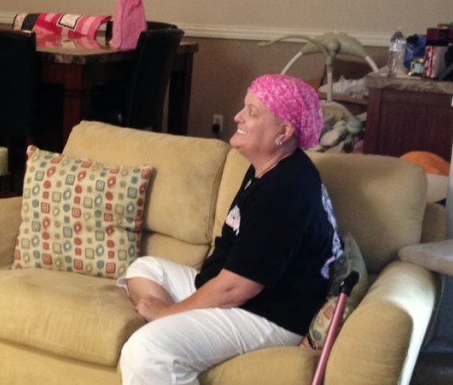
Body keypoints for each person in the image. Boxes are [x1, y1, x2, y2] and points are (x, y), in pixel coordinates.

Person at [117, 74, 341, 384]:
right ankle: (174, 332)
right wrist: (177, 312)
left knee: (147, 350)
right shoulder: (266, 167)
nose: (238, 116)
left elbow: (236, 288)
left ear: (284, 131)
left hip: (267, 315)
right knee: (143, 268)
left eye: (252, 111)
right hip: (230, 291)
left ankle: (164, 336)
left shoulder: (285, 191)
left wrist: (168, 314)